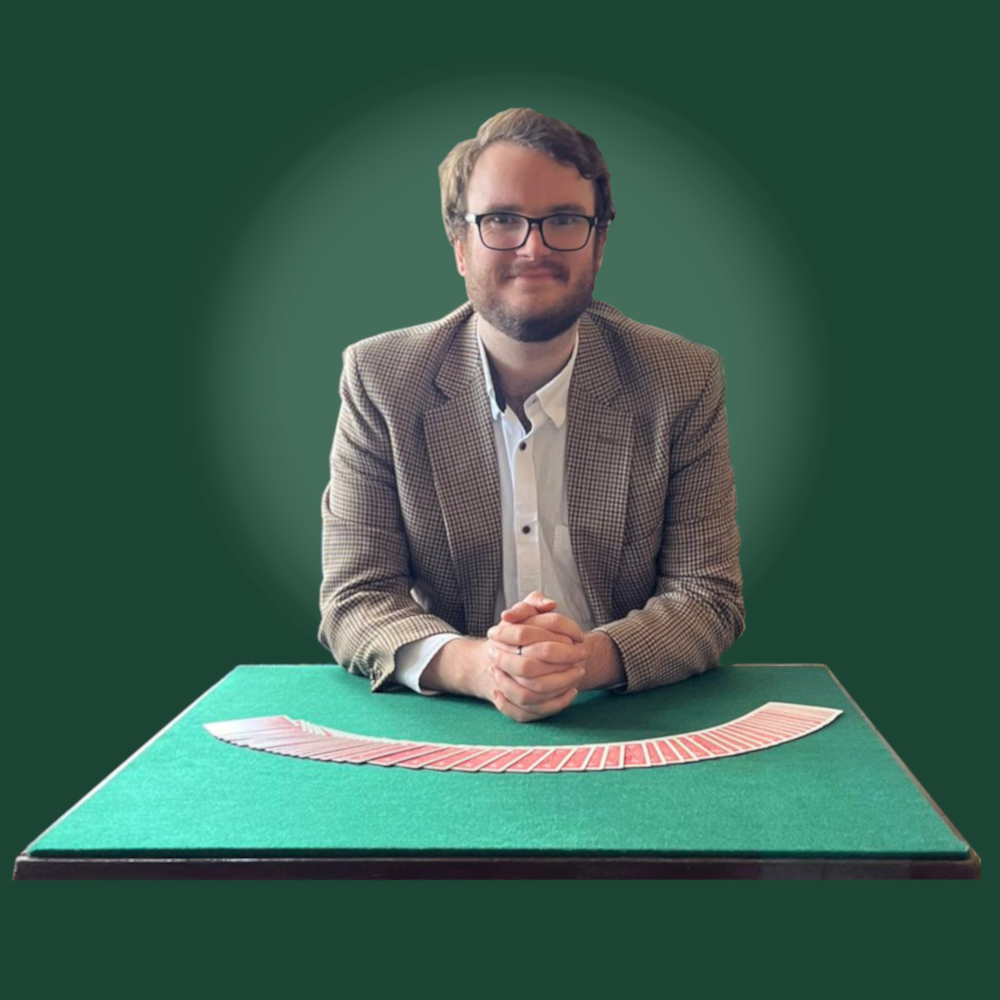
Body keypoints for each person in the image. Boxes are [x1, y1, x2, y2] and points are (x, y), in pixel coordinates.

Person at [318, 108, 744, 723]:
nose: (533, 247)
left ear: (599, 243)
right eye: (502, 220)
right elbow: (356, 598)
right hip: (449, 721)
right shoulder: (381, 379)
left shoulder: (681, 379)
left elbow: (708, 597)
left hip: (626, 717)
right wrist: (483, 667)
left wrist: (582, 661)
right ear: (459, 244)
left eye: (564, 220)